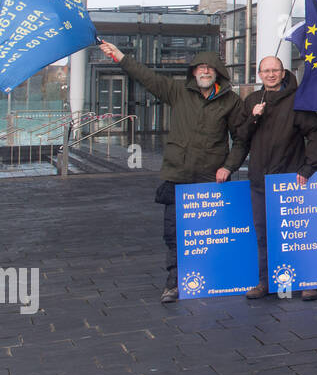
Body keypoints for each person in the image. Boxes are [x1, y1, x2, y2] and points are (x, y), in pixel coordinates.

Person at [98, 40, 246, 302]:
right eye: (200, 67)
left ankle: (214, 278)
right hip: (179, 175)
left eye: (209, 68)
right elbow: (148, 77)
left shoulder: (231, 102)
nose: (204, 71)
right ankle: (174, 282)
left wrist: (228, 166)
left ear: (217, 73)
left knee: (212, 231)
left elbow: (242, 138)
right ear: (193, 72)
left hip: (212, 177)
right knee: (174, 231)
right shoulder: (178, 92)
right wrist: (120, 56)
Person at [236, 56, 317, 301]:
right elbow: (241, 138)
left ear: (283, 73)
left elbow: (316, 132)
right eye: (266, 71)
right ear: (259, 74)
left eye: (275, 70)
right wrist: (254, 117)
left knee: (298, 234)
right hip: (259, 181)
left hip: (290, 180)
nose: (271, 74)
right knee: (264, 233)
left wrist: (308, 167)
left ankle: (307, 281)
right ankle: (265, 282)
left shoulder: (298, 100)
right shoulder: (252, 101)